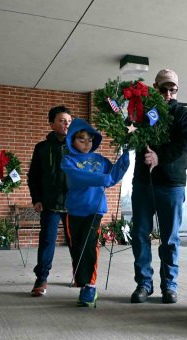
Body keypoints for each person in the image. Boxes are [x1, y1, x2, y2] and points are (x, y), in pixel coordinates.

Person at [130, 69, 187, 304]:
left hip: (172, 184)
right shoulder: (141, 112)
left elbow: (184, 144)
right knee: (140, 235)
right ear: (155, 88)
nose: (168, 94)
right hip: (143, 183)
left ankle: (169, 285)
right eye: (163, 89)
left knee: (169, 238)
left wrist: (159, 157)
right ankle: (144, 284)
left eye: (173, 90)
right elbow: (129, 136)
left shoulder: (185, 114)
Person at [61, 118, 130, 307]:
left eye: (90, 140)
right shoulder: (68, 160)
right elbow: (78, 178)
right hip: (75, 209)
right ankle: (82, 282)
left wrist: (124, 154)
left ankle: (89, 286)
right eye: (81, 139)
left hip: (95, 210)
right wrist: (103, 179)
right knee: (77, 246)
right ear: (72, 140)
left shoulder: (99, 160)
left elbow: (114, 175)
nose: (86, 143)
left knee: (89, 245)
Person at [27, 105, 72, 297]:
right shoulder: (42, 148)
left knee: (75, 242)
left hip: (73, 204)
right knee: (47, 242)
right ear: (52, 123)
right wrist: (36, 198)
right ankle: (42, 279)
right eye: (62, 121)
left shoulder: (76, 146)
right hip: (50, 204)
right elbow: (33, 176)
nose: (66, 124)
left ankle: (80, 275)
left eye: (69, 121)